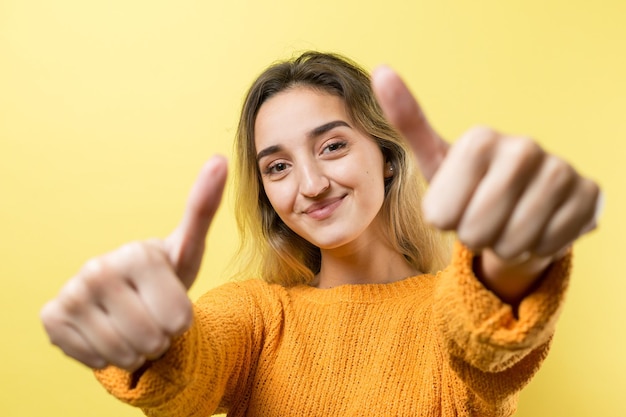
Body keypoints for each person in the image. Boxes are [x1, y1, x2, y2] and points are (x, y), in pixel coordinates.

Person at [40, 52, 601, 416]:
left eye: (332, 145)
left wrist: (515, 253)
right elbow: (193, 368)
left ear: (384, 155)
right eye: (277, 166)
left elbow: (487, 331)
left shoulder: (451, 311)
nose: (310, 184)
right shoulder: (258, 315)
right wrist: (149, 340)